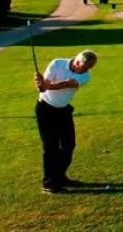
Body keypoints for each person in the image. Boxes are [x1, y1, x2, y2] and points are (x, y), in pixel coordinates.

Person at [34, 50, 98, 193]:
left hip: (63, 111)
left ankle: (59, 176)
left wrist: (46, 85)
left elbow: (68, 84)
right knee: (51, 147)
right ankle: (50, 183)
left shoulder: (85, 76)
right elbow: (43, 89)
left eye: (89, 68)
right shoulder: (57, 64)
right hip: (45, 110)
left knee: (69, 144)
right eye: (85, 67)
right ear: (77, 61)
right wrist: (39, 82)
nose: (86, 71)